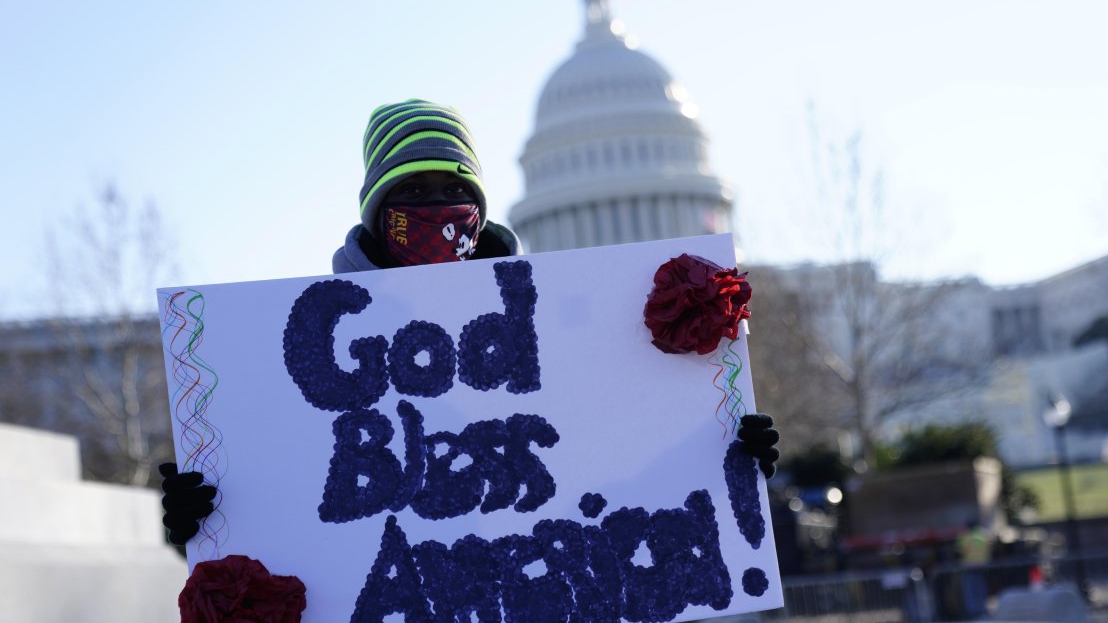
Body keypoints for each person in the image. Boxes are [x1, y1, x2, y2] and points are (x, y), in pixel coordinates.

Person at [160, 99, 779, 545]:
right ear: (376, 212)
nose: (433, 211)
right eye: (410, 193)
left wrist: (717, 447)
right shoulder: (310, 345)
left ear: (480, 209)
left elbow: (618, 450)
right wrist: (206, 520)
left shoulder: (560, 331)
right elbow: (290, 495)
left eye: (449, 191)